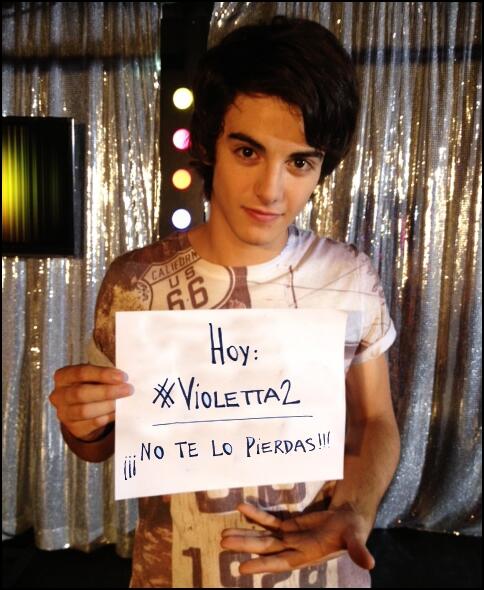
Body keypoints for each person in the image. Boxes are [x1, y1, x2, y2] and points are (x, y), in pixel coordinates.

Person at [49, 16, 400, 588]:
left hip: (320, 573)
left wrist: (353, 513)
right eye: (247, 151)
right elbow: (102, 441)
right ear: (210, 144)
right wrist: (82, 424)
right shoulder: (136, 282)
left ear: (321, 167)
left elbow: (376, 419)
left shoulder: (350, 276)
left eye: (300, 162)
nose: (271, 190)